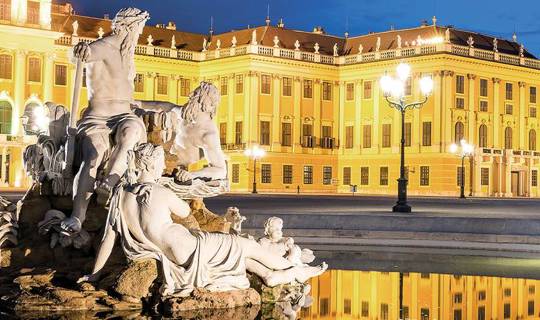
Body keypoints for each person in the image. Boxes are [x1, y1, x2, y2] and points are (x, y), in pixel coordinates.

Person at [78, 143, 327, 296]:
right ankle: (295, 270)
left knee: (242, 253)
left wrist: (94, 275)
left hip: (174, 253)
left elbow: (108, 239)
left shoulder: (121, 195)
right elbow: (186, 213)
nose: (162, 168)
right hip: (190, 249)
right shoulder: (161, 192)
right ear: (150, 165)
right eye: (160, 164)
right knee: (247, 245)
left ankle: (270, 275)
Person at [61, 8, 150, 234]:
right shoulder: (105, 45)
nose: (138, 36)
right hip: (97, 118)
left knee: (131, 134)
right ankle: (77, 215)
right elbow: (81, 54)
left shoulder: (127, 55)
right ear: (129, 27)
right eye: (138, 30)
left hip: (125, 115)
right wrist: (78, 50)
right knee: (93, 156)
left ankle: (109, 183)